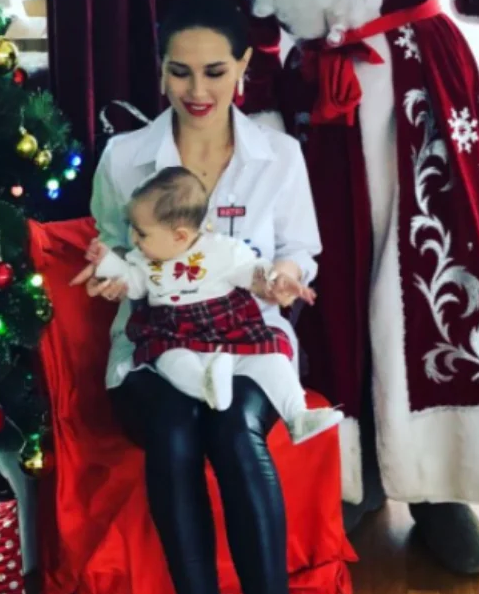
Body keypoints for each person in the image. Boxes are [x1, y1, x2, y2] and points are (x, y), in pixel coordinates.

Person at [70, 0, 325, 594]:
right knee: (176, 433)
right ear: (161, 69)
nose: (197, 89)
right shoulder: (125, 156)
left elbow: (300, 249)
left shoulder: (278, 156)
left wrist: (287, 274)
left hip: (248, 343)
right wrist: (109, 269)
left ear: (245, 65)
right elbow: (113, 245)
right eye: (180, 71)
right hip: (152, 347)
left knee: (234, 429)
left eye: (215, 70)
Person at [225, 0, 479, 573]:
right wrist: (258, 95)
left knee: (435, 285)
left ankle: (438, 482)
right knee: (328, 290)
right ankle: (350, 471)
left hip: (426, 86)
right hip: (316, 101)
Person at [87, 165, 343, 444]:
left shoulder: (224, 250)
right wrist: (106, 262)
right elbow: (130, 281)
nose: (134, 239)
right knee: (172, 361)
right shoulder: (143, 261)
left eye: (142, 233)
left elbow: (253, 271)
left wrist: (275, 280)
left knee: (272, 357)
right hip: (174, 335)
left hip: (229, 331)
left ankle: (297, 414)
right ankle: (206, 386)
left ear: (180, 236)